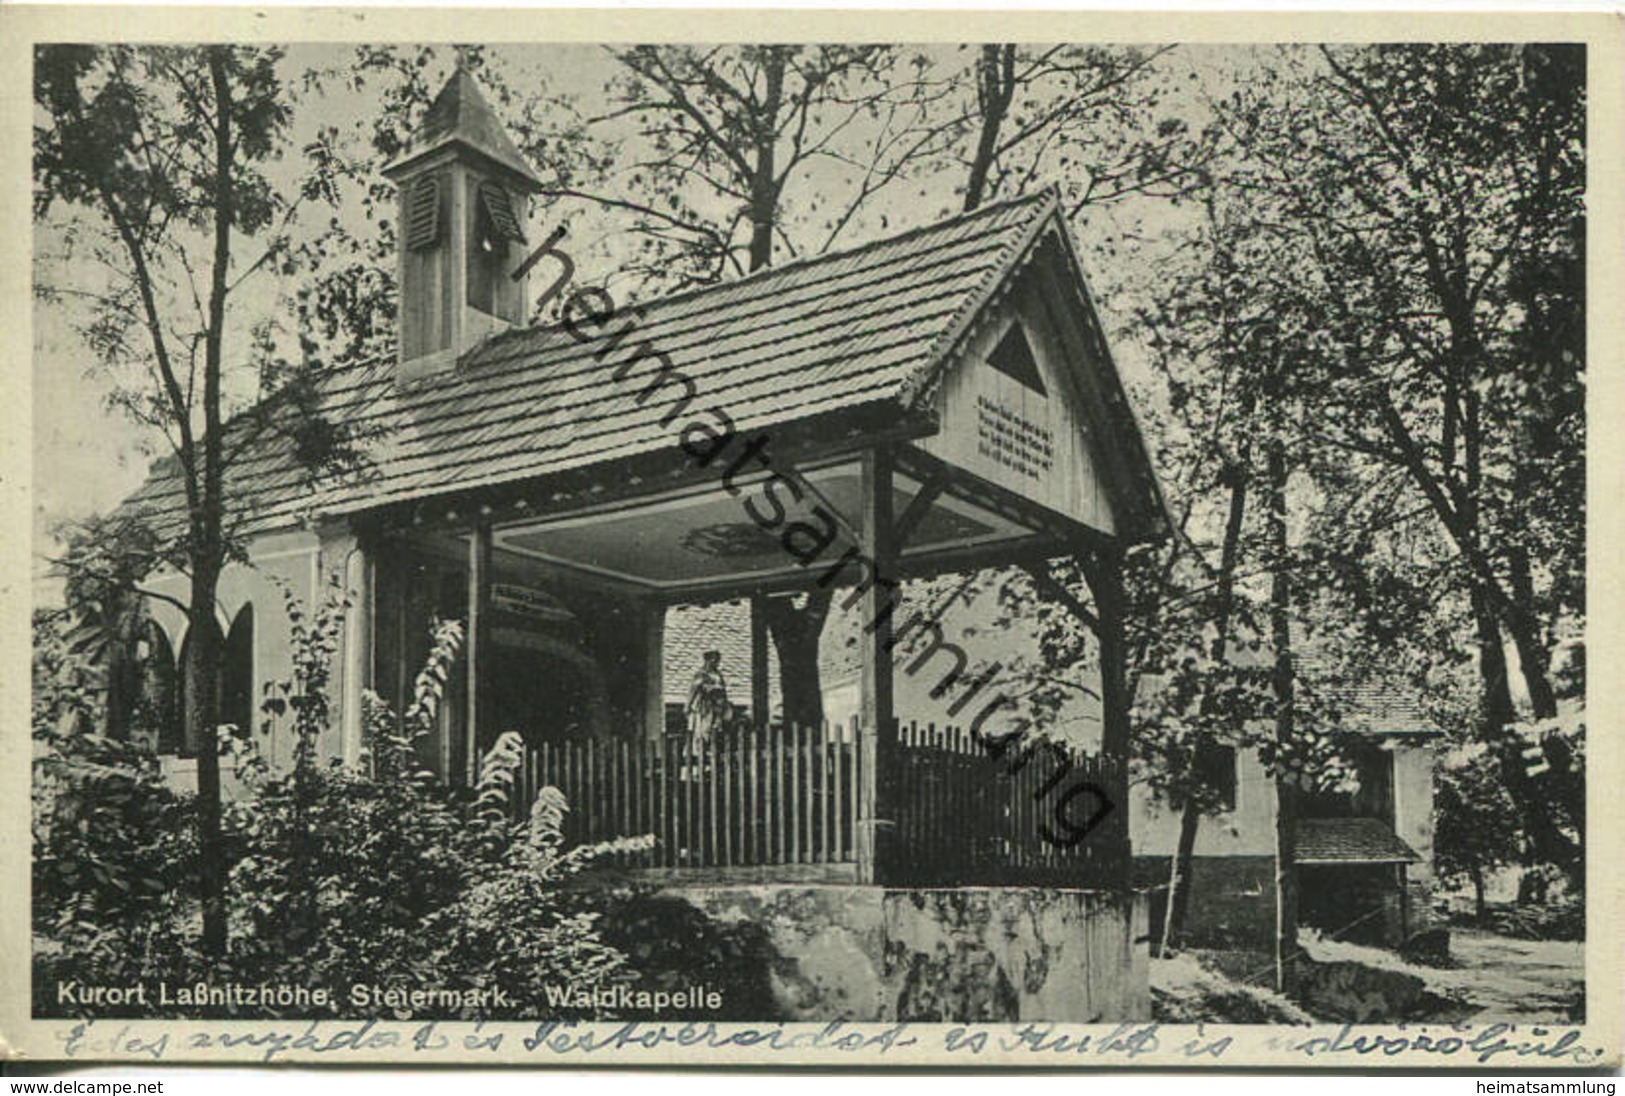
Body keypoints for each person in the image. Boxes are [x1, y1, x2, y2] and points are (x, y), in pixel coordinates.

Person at [685, 649, 730, 753]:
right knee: (702, 730)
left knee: (715, 730)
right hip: (704, 706)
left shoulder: (718, 675)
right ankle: (699, 751)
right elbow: (693, 690)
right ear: (707, 660)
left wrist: (725, 704)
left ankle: (712, 751)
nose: (716, 663)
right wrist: (688, 705)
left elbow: (723, 691)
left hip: (717, 706)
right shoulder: (701, 674)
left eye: (717, 660)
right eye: (713, 660)